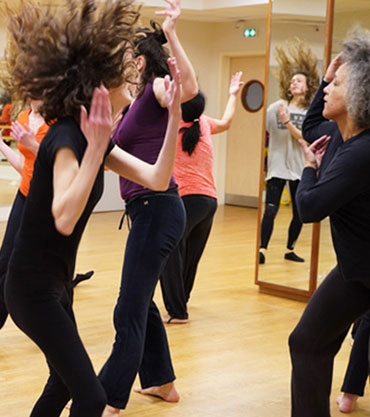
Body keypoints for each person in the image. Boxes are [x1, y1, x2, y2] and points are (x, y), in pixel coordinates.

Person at [4, 1, 182, 416]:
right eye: (125, 68)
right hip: (31, 291)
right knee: (92, 396)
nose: (135, 74)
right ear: (100, 81)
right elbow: (63, 218)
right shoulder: (70, 136)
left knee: (63, 385)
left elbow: (157, 178)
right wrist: (97, 147)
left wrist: (173, 117)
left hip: (55, 286)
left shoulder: (93, 137)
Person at [98, 2, 198, 416]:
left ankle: (107, 399)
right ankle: (162, 382)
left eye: (125, 58)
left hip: (158, 207)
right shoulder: (132, 102)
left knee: (129, 307)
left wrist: (173, 33)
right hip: (146, 209)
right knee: (142, 302)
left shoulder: (158, 85)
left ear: (139, 62)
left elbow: (187, 89)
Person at [288, 27, 370, 417]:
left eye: (337, 84)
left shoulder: (360, 152)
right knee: (307, 341)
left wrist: (308, 169)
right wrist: (326, 79)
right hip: (358, 271)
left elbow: (309, 208)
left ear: (356, 97)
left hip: (364, 271)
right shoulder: (341, 135)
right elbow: (311, 127)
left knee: (309, 341)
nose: (328, 88)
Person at [0, 102, 94, 330]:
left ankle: (64, 326)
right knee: (4, 264)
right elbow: (26, 166)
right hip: (25, 196)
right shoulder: (23, 117)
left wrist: (31, 143)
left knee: (52, 272)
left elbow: (60, 163)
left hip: (50, 201)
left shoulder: (60, 123)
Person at [159, 72, 243, 323]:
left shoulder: (171, 125)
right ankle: (181, 304)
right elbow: (227, 121)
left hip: (184, 200)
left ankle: (177, 311)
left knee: (169, 253)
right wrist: (232, 95)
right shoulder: (203, 123)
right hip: (209, 202)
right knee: (190, 256)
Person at [259, 38, 319, 264]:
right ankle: (262, 250)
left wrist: (288, 122)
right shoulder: (276, 108)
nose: (294, 83)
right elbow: (264, 129)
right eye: (292, 80)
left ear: (308, 86)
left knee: (299, 212)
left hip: (299, 168)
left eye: (299, 81)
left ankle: (290, 249)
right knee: (271, 210)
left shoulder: (311, 113)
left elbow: (305, 137)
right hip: (277, 168)